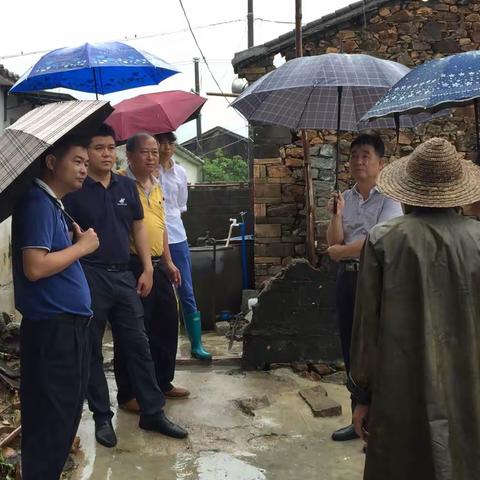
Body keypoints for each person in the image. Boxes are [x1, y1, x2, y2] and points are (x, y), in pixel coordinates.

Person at [350, 137, 480, 479]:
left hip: (399, 386)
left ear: (408, 191)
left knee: (402, 462)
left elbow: (366, 329)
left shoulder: (383, 240)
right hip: (469, 384)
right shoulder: (477, 239)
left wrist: (362, 396)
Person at [64, 124, 187, 448]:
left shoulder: (124, 187)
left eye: (109, 148)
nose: (106, 153)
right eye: (98, 148)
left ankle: (152, 412)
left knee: (138, 344)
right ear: (86, 154)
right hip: (89, 276)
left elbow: (139, 229)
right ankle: (103, 417)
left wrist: (148, 268)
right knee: (92, 350)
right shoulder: (75, 190)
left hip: (124, 275)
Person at [12, 135, 99, 479]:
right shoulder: (36, 201)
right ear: (51, 162)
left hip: (65, 330)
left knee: (61, 420)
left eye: (85, 163)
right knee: (51, 423)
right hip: (53, 333)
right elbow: (35, 267)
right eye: (77, 161)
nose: (84, 169)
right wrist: (84, 247)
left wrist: (76, 243)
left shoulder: (52, 205)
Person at [326, 132, 403, 442]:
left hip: (377, 281)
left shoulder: (391, 198)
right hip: (348, 279)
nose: (358, 160)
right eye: (354, 154)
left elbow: (378, 240)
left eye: (366, 155)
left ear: (380, 163)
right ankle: (357, 415)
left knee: (378, 347)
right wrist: (337, 215)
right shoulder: (345, 196)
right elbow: (333, 240)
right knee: (351, 347)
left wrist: (340, 251)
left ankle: (383, 421)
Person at [116, 132, 190, 412]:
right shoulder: (121, 184)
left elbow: (162, 227)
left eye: (154, 153)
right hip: (135, 265)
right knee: (134, 331)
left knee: (167, 323)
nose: (151, 157)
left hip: (159, 263)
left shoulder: (157, 185)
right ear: (130, 155)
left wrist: (169, 262)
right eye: (145, 152)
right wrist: (146, 267)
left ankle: (163, 381)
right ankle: (128, 393)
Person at [155, 132, 211, 360]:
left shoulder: (180, 171)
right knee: (158, 293)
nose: (166, 147)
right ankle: (159, 344)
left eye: (170, 143)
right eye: (162, 143)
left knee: (186, 289)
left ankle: (196, 344)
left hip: (177, 236)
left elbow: (180, 205)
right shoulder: (147, 172)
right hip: (151, 237)